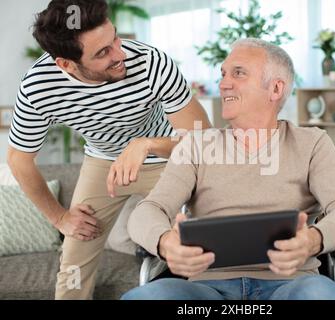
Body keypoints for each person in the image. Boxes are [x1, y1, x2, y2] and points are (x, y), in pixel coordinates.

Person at [121, 38, 335, 300]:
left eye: (238, 73)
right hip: (207, 289)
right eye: (223, 74)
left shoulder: (312, 143)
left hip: (292, 285)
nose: (224, 83)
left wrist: (313, 239)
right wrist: (164, 242)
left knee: (321, 296)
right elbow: (146, 211)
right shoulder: (196, 145)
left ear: (275, 89)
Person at [6, 0, 211, 300]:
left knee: (205, 236)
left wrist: (147, 143)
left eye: (114, 38)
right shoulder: (38, 87)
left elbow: (202, 140)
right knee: (74, 258)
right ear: (65, 63)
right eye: (103, 53)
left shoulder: (152, 62)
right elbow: (19, 160)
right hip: (103, 162)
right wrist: (59, 218)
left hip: (171, 156)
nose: (120, 54)